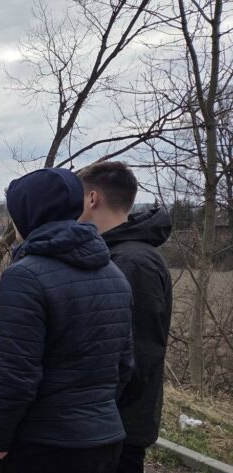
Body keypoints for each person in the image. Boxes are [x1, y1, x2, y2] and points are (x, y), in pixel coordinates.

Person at [0, 168, 134, 473]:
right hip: (104, 439)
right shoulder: (114, 273)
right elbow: (124, 365)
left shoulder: (25, 276)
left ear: (29, 213)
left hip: (45, 444)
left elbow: (16, 375)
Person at [78, 162, 173, 473]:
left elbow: (139, 356)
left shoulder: (132, 262)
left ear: (92, 199)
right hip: (109, 421)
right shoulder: (118, 253)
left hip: (120, 424)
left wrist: (96, 411)